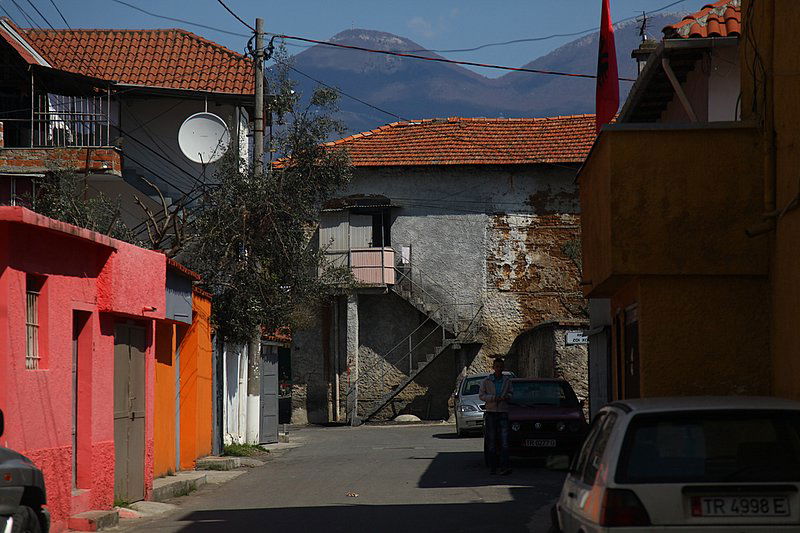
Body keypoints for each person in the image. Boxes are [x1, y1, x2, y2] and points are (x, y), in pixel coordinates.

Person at [479, 357, 513, 475]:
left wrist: (506, 397)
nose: (498, 369)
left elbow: (510, 393)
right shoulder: (486, 381)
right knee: (492, 440)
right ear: (493, 368)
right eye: (497, 366)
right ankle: (493, 466)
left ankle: (504, 466)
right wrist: (493, 398)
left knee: (504, 441)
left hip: (503, 411)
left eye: (500, 367)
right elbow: (482, 396)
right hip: (491, 412)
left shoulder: (507, 380)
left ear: (503, 368)